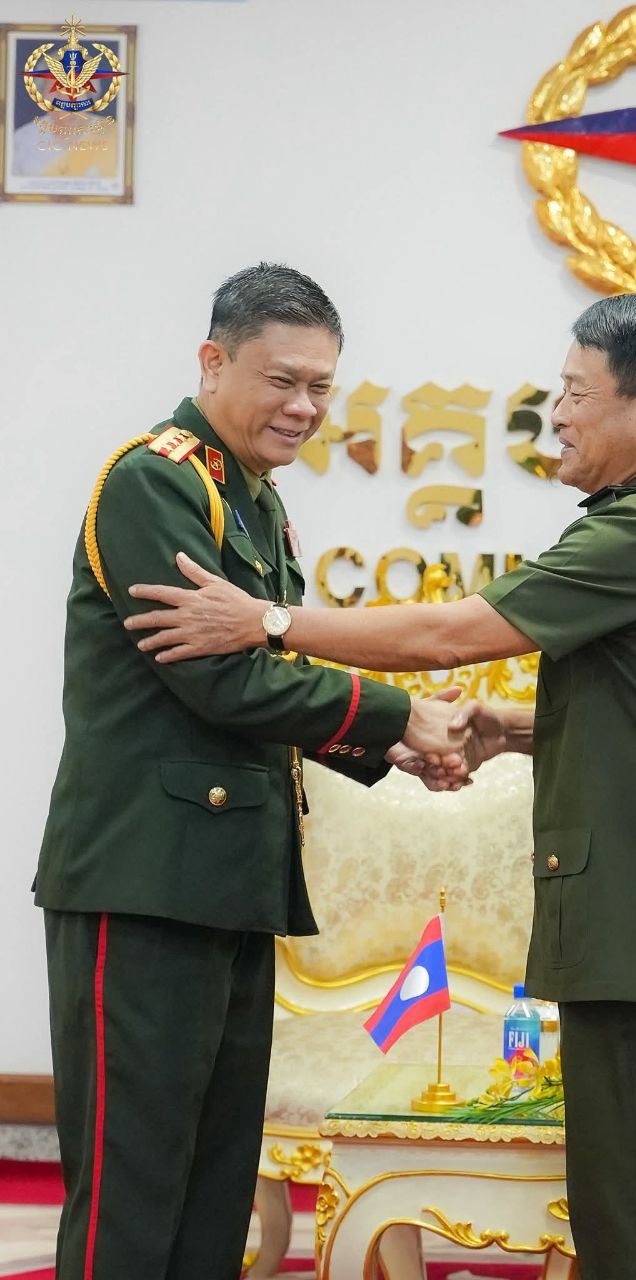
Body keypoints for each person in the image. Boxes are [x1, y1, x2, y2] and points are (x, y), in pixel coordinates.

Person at [128, 291, 636, 1280]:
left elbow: (449, 632)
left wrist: (265, 621)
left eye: (575, 393)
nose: (556, 415)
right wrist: (505, 728)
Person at [35, 262, 468, 1280]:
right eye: (282, 380)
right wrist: (400, 715)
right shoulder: (156, 481)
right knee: (135, 1188)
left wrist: (385, 745)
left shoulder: (254, 501)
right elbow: (220, 679)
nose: (304, 407)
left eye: (321, 386)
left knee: (214, 1182)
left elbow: (270, 677)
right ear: (212, 361)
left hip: (228, 878)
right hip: (145, 880)